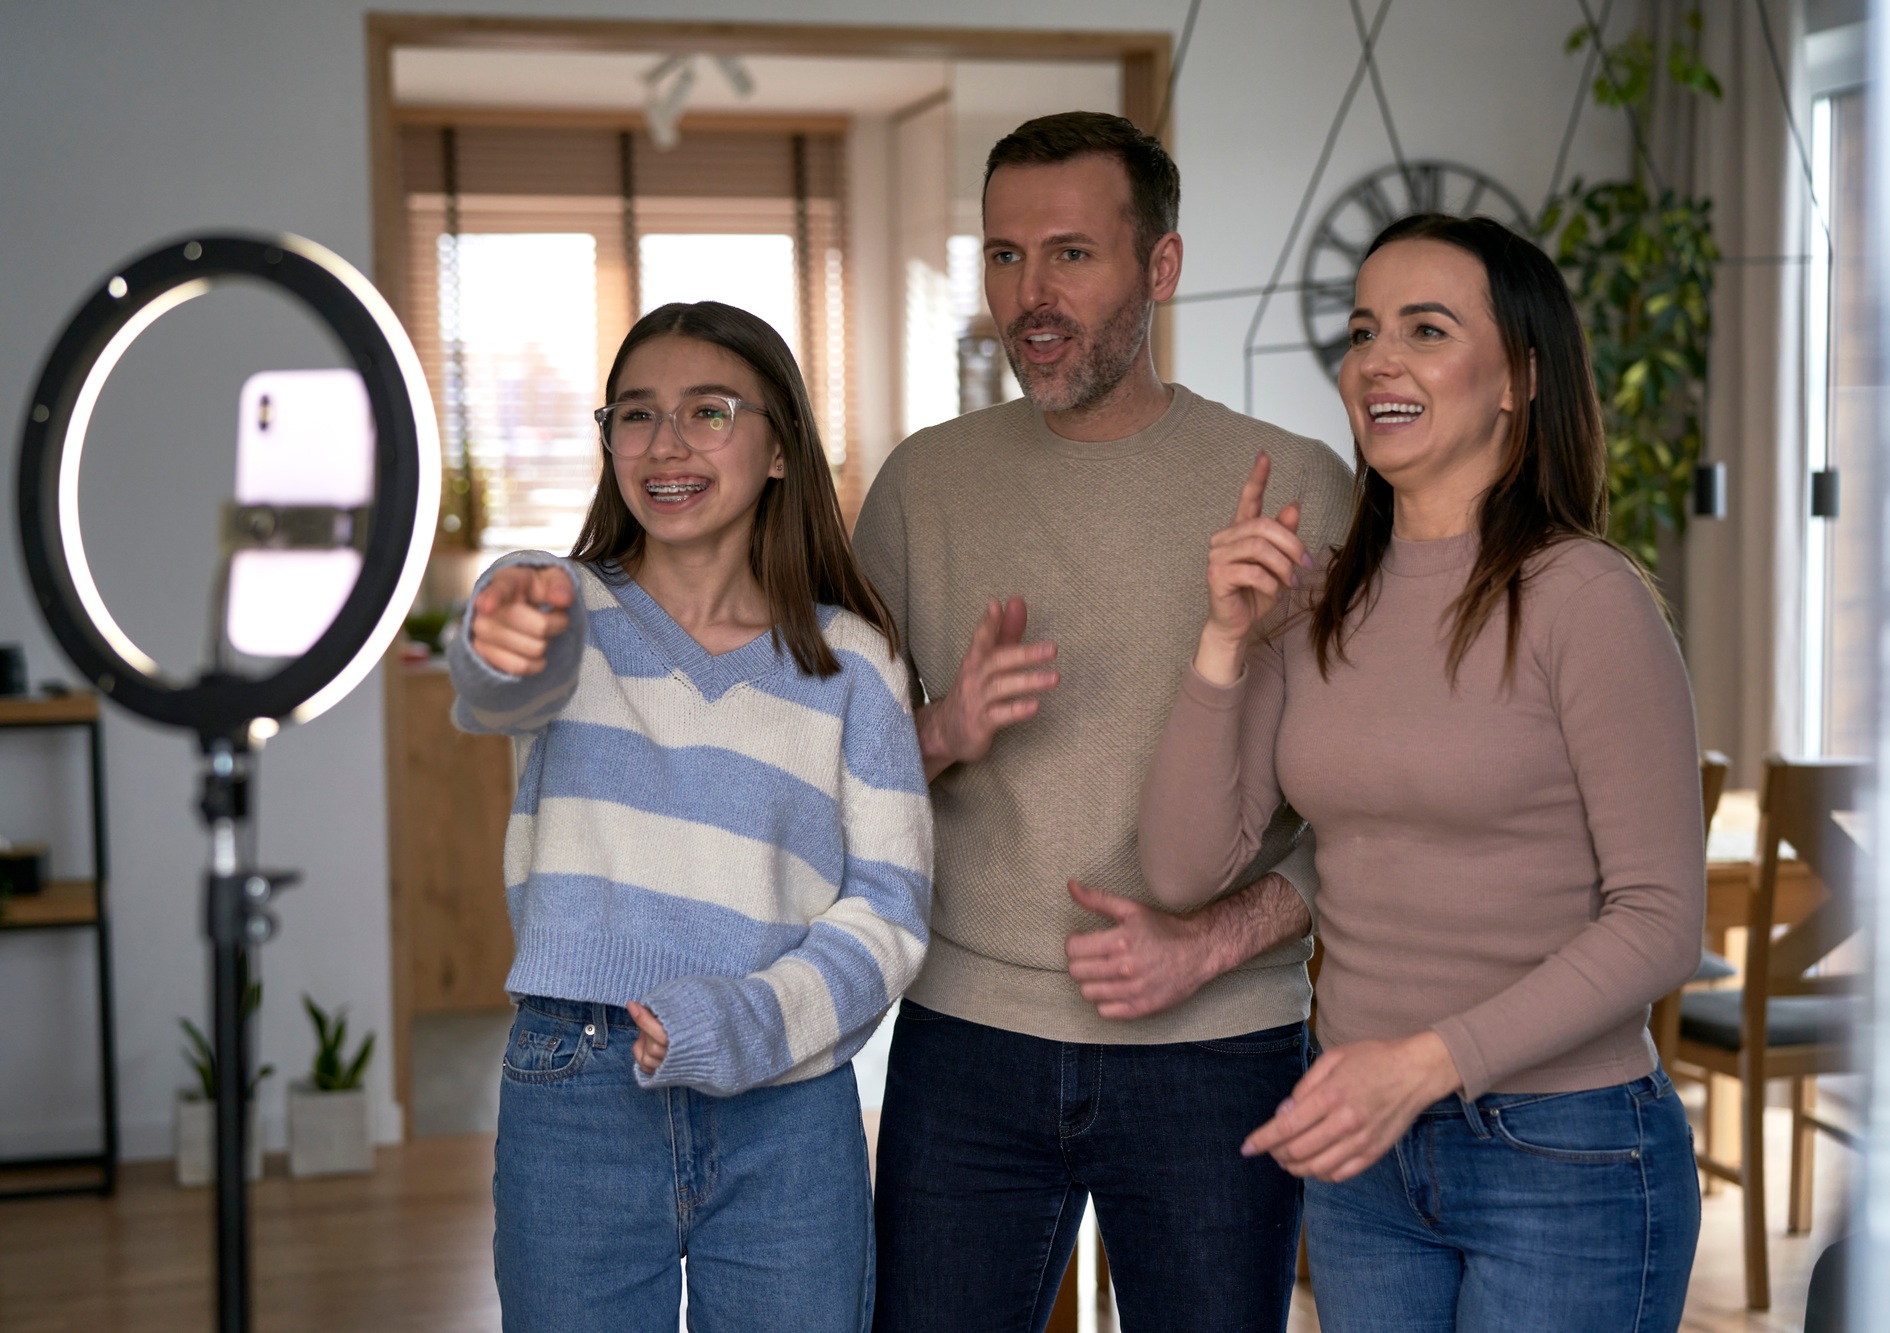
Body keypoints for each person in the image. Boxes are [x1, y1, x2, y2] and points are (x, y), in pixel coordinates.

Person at [1139, 211, 1705, 1330]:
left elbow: (1658, 922)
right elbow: (1179, 869)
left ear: (1518, 379)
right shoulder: (1315, 596)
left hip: (1562, 1150)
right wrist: (1220, 642)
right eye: (1361, 331)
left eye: (1425, 328)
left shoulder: (1584, 599)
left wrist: (1422, 1065)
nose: (1377, 360)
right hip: (1364, 1149)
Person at [854, 111, 1355, 1331]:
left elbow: (1369, 815)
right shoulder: (921, 485)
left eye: (1070, 254)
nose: (1028, 294)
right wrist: (939, 731)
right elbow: (826, 766)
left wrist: (1210, 944)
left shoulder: (1296, 487)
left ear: (1160, 268)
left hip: (1219, 1045)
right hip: (965, 1043)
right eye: (1003, 256)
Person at [449, 301, 931, 1333]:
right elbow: (499, 670)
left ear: (776, 450)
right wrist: (495, 630)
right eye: (633, 415)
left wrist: (748, 1020)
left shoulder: (853, 662)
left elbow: (890, 912)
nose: (663, 444)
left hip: (787, 1103)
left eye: (707, 411)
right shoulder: (563, 611)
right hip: (573, 1086)